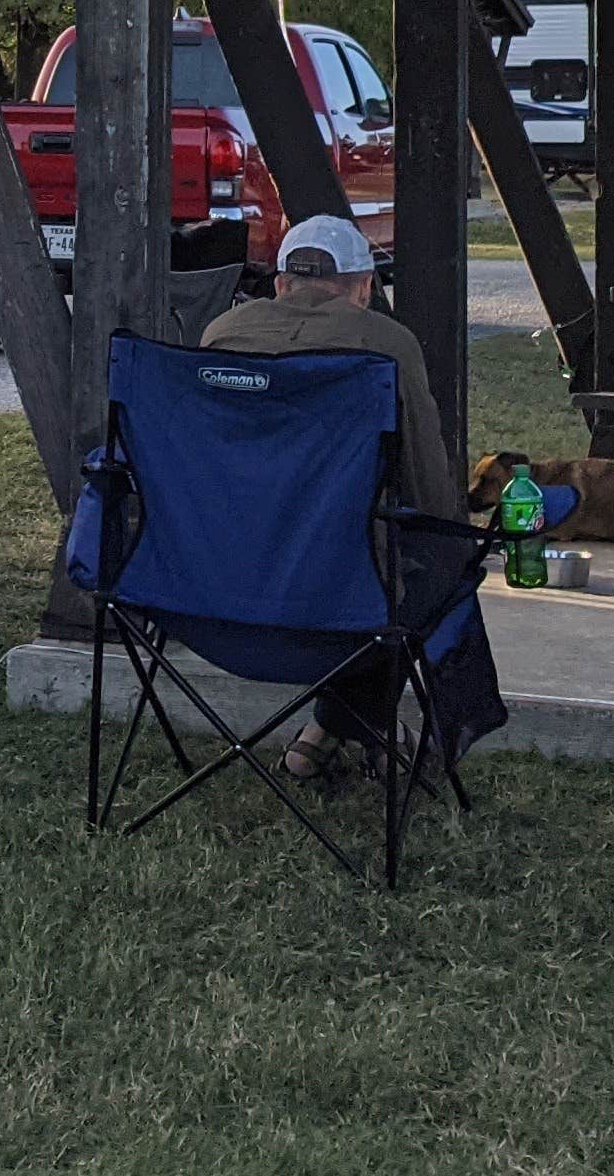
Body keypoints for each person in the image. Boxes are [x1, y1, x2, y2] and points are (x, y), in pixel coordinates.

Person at [200, 215, 476, 783]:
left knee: (380, 564)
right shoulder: (386, 346)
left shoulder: (221, 335)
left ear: (280, 283)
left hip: (211, 593)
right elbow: (428, 488)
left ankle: (325, 731)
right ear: (364, 289)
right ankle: (357, 727)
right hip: (341, 601)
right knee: (428, 567)